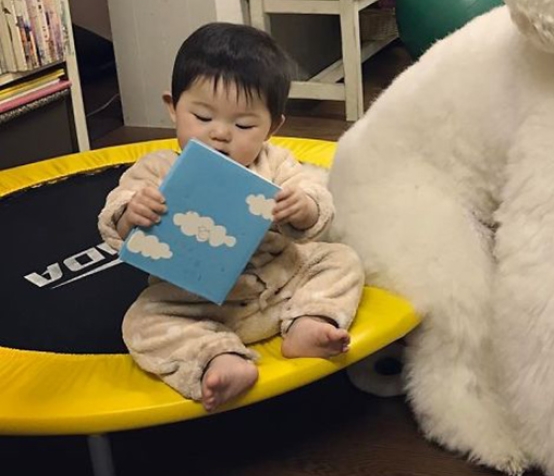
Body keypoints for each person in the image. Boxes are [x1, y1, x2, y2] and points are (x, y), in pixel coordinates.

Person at [99, 22, 364, 412]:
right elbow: (116, 215)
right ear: (173, 107)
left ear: (272, 127)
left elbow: (314, 203)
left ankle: (308, 320)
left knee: (341, 259)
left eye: (243, 125)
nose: (220, 134)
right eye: (202, 117)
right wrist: (131, 214)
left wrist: (303, 208)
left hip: (279, 285)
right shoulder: (156, 169)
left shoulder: (275, 162)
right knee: (141, 321)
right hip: (197, 303)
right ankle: (218, 357)